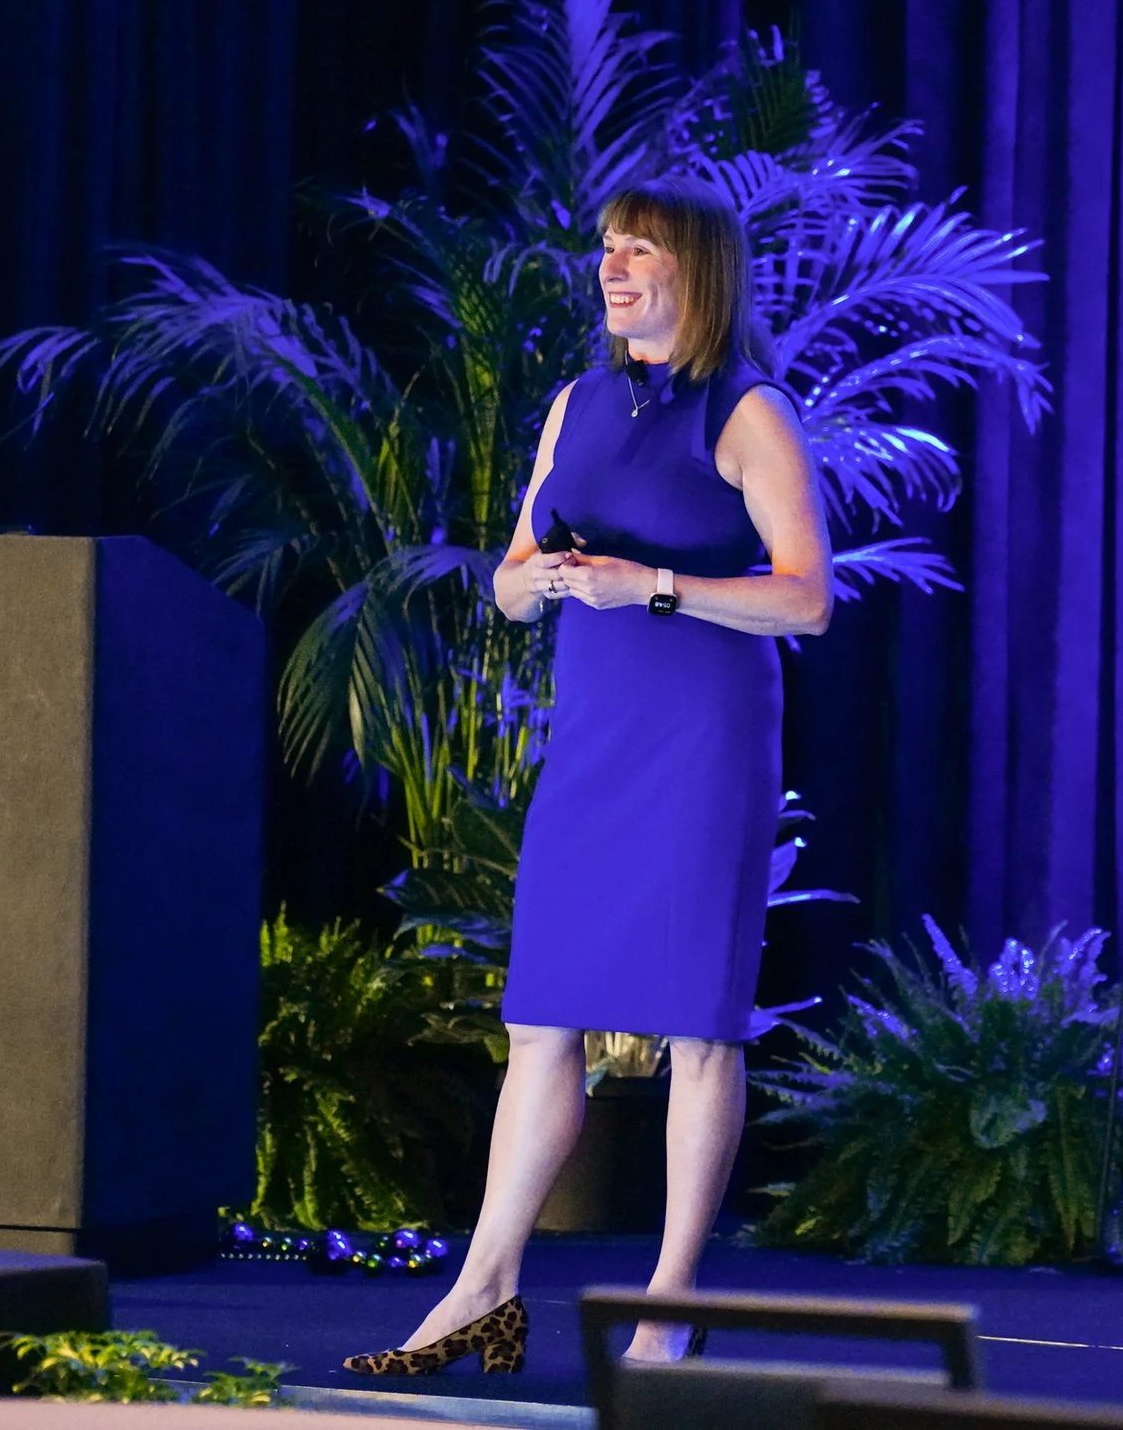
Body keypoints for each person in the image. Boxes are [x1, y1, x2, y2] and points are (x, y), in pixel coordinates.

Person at [342, 176, 834, 1377]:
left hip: (701, 745)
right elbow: (510, 577)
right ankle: (481, 1288)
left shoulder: (748, 409)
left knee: (698, 1031)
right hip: (595, 742)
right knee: (539, 1019)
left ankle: (671, 1300)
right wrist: (547, 577)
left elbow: (808, 598)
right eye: (606, 250)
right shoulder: (578, 401)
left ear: (697, 272)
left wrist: (652, 585)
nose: (611, 269)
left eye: (638, 252)